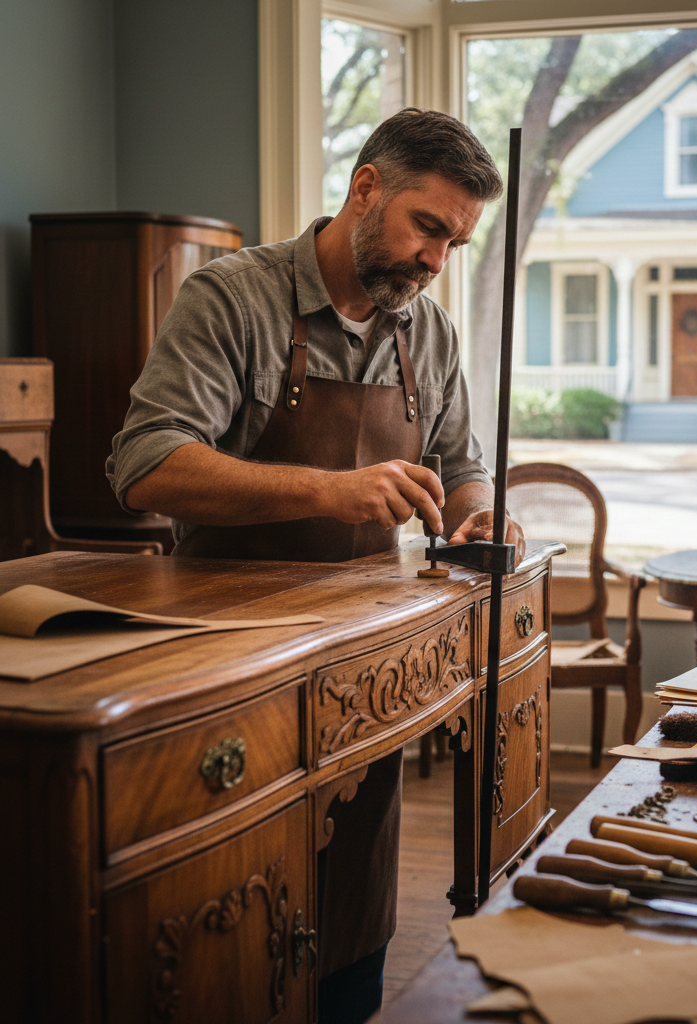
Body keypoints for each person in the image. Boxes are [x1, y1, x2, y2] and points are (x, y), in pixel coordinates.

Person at [106, 107, 524, 1024]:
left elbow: (462, 469)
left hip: (368, 661)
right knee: (238, 899)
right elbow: (144, 465)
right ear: (365, 188)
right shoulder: (231, 299)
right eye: (428, 227)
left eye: (454, 242)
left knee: (348, 906)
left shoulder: (429, 332)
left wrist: (482, 514)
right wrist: (327, 490)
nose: (434, 260)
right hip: (232, 658)